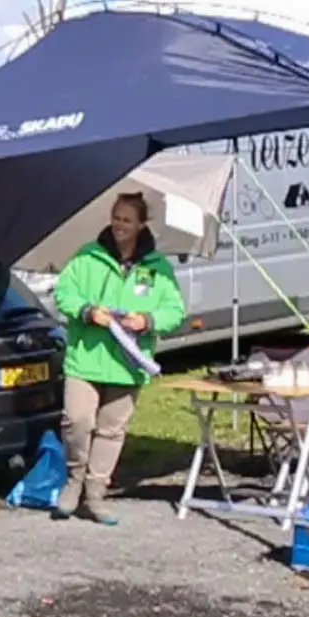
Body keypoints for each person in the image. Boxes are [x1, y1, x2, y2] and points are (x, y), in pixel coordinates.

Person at [50, 191, 186, 525]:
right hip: (86, 357)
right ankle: (74, 480)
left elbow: (175, 309)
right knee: (77, 420)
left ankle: (96, 495)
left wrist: (147, 321)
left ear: (141, 224)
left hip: (127, 363)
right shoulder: (88, 257)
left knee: (111, 430)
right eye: (116, 217)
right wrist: (86, 311)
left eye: (127, 219)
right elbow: (64, 292)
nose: (119, 224)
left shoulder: (157, 268)